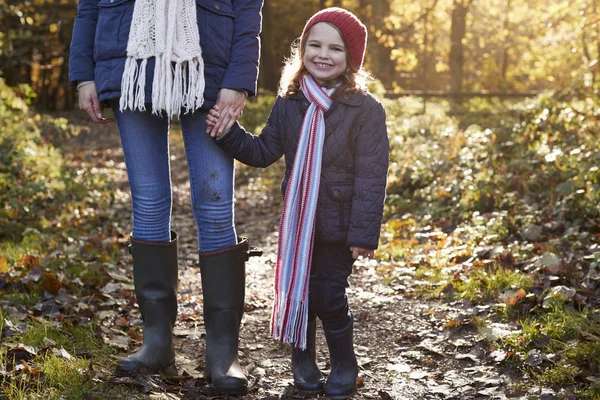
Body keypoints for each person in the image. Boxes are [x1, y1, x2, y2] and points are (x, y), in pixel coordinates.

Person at [68, 0, 263, 395]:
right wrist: (83, 73)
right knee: (149, 201)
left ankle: (223, 353)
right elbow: (88, 5)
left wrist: (240, 78)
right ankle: (157, 341)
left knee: (214, 203)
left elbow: (248, 7)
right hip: (131, 63)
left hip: (209, 62)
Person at [206, 7, 389, 398]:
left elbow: (371, 177)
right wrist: (227, 133)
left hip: (340, 226)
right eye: (314, 45)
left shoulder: (366, 110)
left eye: (335, 48)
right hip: (299, 224)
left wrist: (363, 234)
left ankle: (344, 362)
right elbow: (263, 151)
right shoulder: (290, 103)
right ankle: (303, 360)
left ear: (351, 59)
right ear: (302, 49)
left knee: (328, 295)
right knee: (299, 293)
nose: (323, 54)